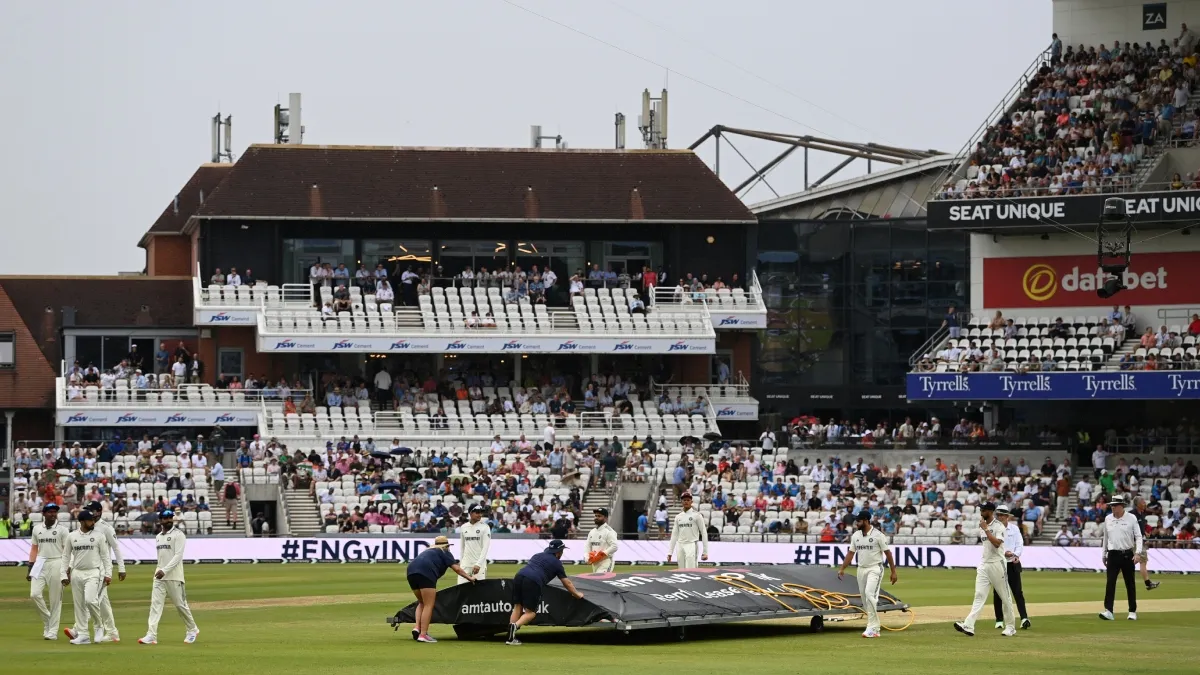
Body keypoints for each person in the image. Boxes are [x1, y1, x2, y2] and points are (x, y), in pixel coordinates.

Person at [137, 510, 200, 644]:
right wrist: (160, 571)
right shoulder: (158, 536)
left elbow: (178, 556)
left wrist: (164, 570)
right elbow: (161, 557)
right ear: (160, 520)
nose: (169, 520)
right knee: (155, 606)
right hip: (159, 576)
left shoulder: (179, 535)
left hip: (174, 576)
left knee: (180, 605)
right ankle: (151, 634)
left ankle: (192, 629)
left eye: (170, 518)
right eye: (165, 518)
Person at [506, 540, 584, 646]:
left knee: (517, 607)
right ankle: (515, 626)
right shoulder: (557, 563)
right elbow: (567, 583)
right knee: (531, 612)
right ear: (559, 552)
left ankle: (510, 637)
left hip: (519, 576)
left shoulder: (537, 555)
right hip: (533, 581)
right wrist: (576, 594)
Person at [954, 503, 1015, 637]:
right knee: (979, 595)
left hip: (997, 564)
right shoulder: (982, 525)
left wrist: (986, 529)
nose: (981, 511)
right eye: (981, 509)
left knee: (1005, 597)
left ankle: (1010, 627)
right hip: (984, 564)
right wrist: (985, 528)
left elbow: (997, 544)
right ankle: (969, 625)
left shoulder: (998, 526)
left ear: (991, 511)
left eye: (984, 509)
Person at [837, 510, 898, 638]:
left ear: (866, 521)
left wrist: (893, 572)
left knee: (870, 595)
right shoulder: (856, 535)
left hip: (875, 568)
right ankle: (872, 626)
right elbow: (851, 553)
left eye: (859, 521)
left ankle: (873, 628)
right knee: (865, 599)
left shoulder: (878, 535)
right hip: (861, 569)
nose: (856, 523)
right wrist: (842, 568)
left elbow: (888, 553)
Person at [407, 535, 474, 643]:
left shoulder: (427, 552)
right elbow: (457, 569)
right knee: (429, 605)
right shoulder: (444, 552)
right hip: (426, 573)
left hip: (410, 572)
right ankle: (423, 635)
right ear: (447, 546)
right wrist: (469, 578)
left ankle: (417, 628)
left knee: (421, 602)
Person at [61, 510, 112, 645]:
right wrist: (63, 574)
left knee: (90, 601)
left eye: (93, 520)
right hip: (77, 573)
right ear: (82, 521)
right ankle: (83, 635)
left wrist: (108, 574)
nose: (93, 522)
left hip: (93, 572)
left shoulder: (99, 536)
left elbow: (105, 557)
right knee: (79, 605)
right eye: (90, 520)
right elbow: (66, 556)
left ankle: (98, 626)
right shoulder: (72, 536)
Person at [86, 500, 126, 642]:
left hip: (103, 570)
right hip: (91, 568)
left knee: (92, 599)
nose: (89, 513)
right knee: (103, 602)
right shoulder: (87, 526)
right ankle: (112, 632)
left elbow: (116, 548)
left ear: (99, 512)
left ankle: (78, 628)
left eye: (91, 510)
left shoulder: (106, 528)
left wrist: (121, 568)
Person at [28, 503, 69, 640]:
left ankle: (52, 631)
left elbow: (67, 551)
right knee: (34, 594)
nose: (53, 514)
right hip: (40, 562)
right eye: (50, 512)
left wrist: (66, 569)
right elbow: (34, 548)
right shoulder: (37, 529)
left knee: (55, 599)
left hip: (57, 561)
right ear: (44, 514)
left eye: (55, 512)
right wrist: (30, 566)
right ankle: (48, 620)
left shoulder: (63, 530)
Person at [1099, 496, 1143, 621]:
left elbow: (1138, 536)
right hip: (1112, 554)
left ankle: (1132, 611)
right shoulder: (1108, 518)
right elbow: (1106, 538)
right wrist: (1104, 554)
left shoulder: (1131, 518)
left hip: (1127, 554)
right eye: (1111, 505)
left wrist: (1138, 553)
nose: (1112, 507)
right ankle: (1108, 611)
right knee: (1110, 582)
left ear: (1122, 506)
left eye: (1115, 505)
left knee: (1130, 583)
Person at [991, 505, 1030, 630]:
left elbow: (1019, 544)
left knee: (1017, 592)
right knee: (998, 592)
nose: (1000, 517)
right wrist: (1004, 553)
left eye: (1002, 515)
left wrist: (1016, 555)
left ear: (1007, 516)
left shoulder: (1014, 529)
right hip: (999, 563)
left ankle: (1024, 618)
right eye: (998, 515)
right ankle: (999, 620)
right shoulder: (993, 529)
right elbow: (992, 547)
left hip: (1012, 563)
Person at [666, 493, 709, 567]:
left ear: (691, 502)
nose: (686, 502)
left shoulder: (697, 515)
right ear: (681, 502)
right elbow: (674, 535)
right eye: (684, 500)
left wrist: (705, 552)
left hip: (692, 544)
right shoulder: (678, 517)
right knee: (681, 570)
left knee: (691, 569)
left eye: (688, 500)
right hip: (680, 545)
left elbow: (704, 532)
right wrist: (670, 552)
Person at [1131, 497, 1161, 591]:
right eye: (1143, 502)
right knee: (1143, 561)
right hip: (1135, 541)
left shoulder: (1141, 514)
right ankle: (1148, 583)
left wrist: (1145, 533)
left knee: (1138, 560)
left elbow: (1140, 527)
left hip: (1138, 541)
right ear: (1137, 504)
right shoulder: (1132, 514)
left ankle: (1116, 571)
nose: (1145, 503)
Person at [458, 506, 492, 585]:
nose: (480, 515)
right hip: (465, 565)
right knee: (461, 590)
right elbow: (462, 547)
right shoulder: (463, 527)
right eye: (477, 512)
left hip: (479, 566)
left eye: (481, 513)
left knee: (479, 591)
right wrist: (461, 562)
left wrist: (478, 564)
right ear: (470, 513)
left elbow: (485, 547)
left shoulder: (485, 527)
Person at [585, 508, 619, 573]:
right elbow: (587, 546)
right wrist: (587, 557)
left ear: (606, 518)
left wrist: (603, 554)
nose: (596, 518)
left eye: (599, 516)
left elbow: (615, 546)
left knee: (600, 578)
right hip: (595, 562)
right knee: (595, 579)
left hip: (606, 561)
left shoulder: (609, 531)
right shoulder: (592, 532)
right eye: (596, 516)